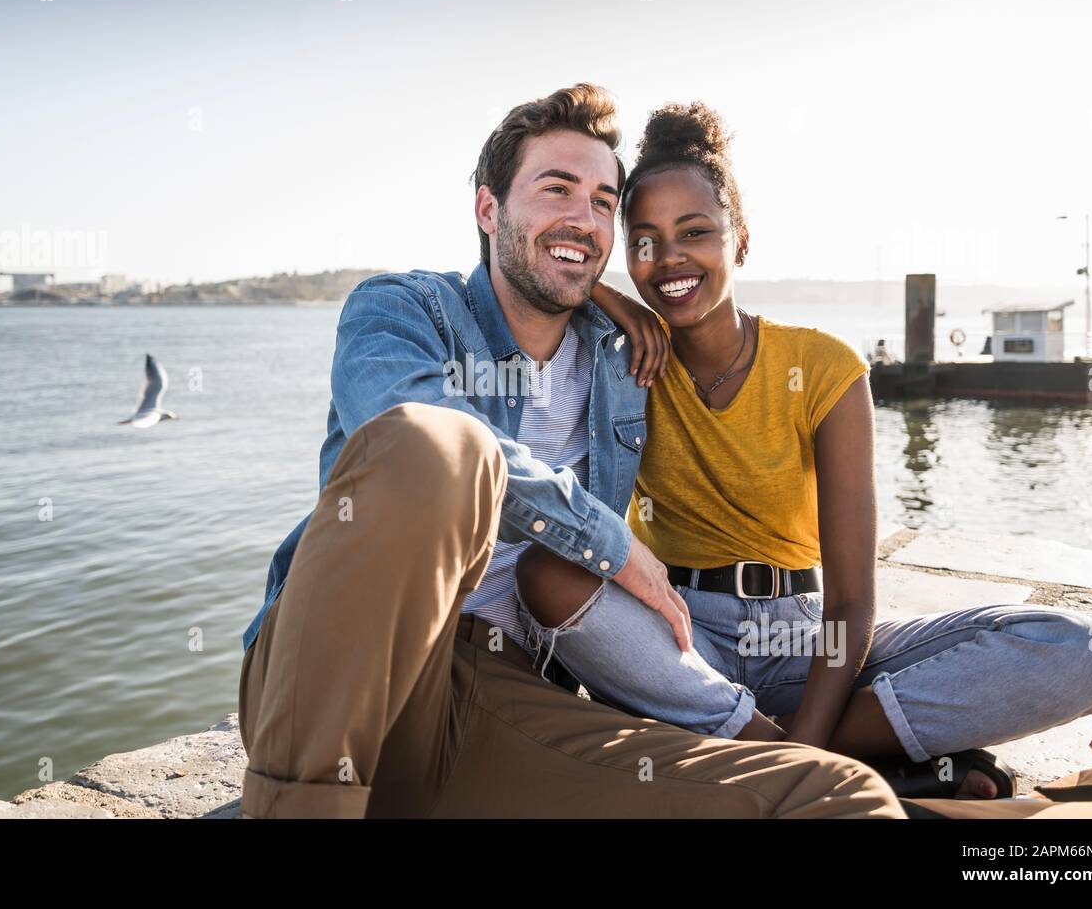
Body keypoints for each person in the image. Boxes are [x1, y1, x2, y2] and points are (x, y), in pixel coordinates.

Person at [236, 84, 905, 818]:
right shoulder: (402, 311)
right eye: (556, 189)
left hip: (500, 690)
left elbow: (683, 313)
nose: (581, 220)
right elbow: (417, 434)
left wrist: (603, 298)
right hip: (351, 666)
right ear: (489, 211)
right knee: (438, 446)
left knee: (836, 797)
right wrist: (610, 545)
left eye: (600, 203)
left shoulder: (623, 360)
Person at [516, 101, 1092, 801]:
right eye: (645, 242)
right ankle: (864, 763)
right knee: (546, 573)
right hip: (676, 638)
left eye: (696, 233)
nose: (670, 258)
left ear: (741, 242)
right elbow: (533, 269)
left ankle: (778, 753)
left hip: (803, 642)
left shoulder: (823, 368)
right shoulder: (626, 362)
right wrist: (606, 298)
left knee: (1078, 653)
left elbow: (855, 600)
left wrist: (811, 726)